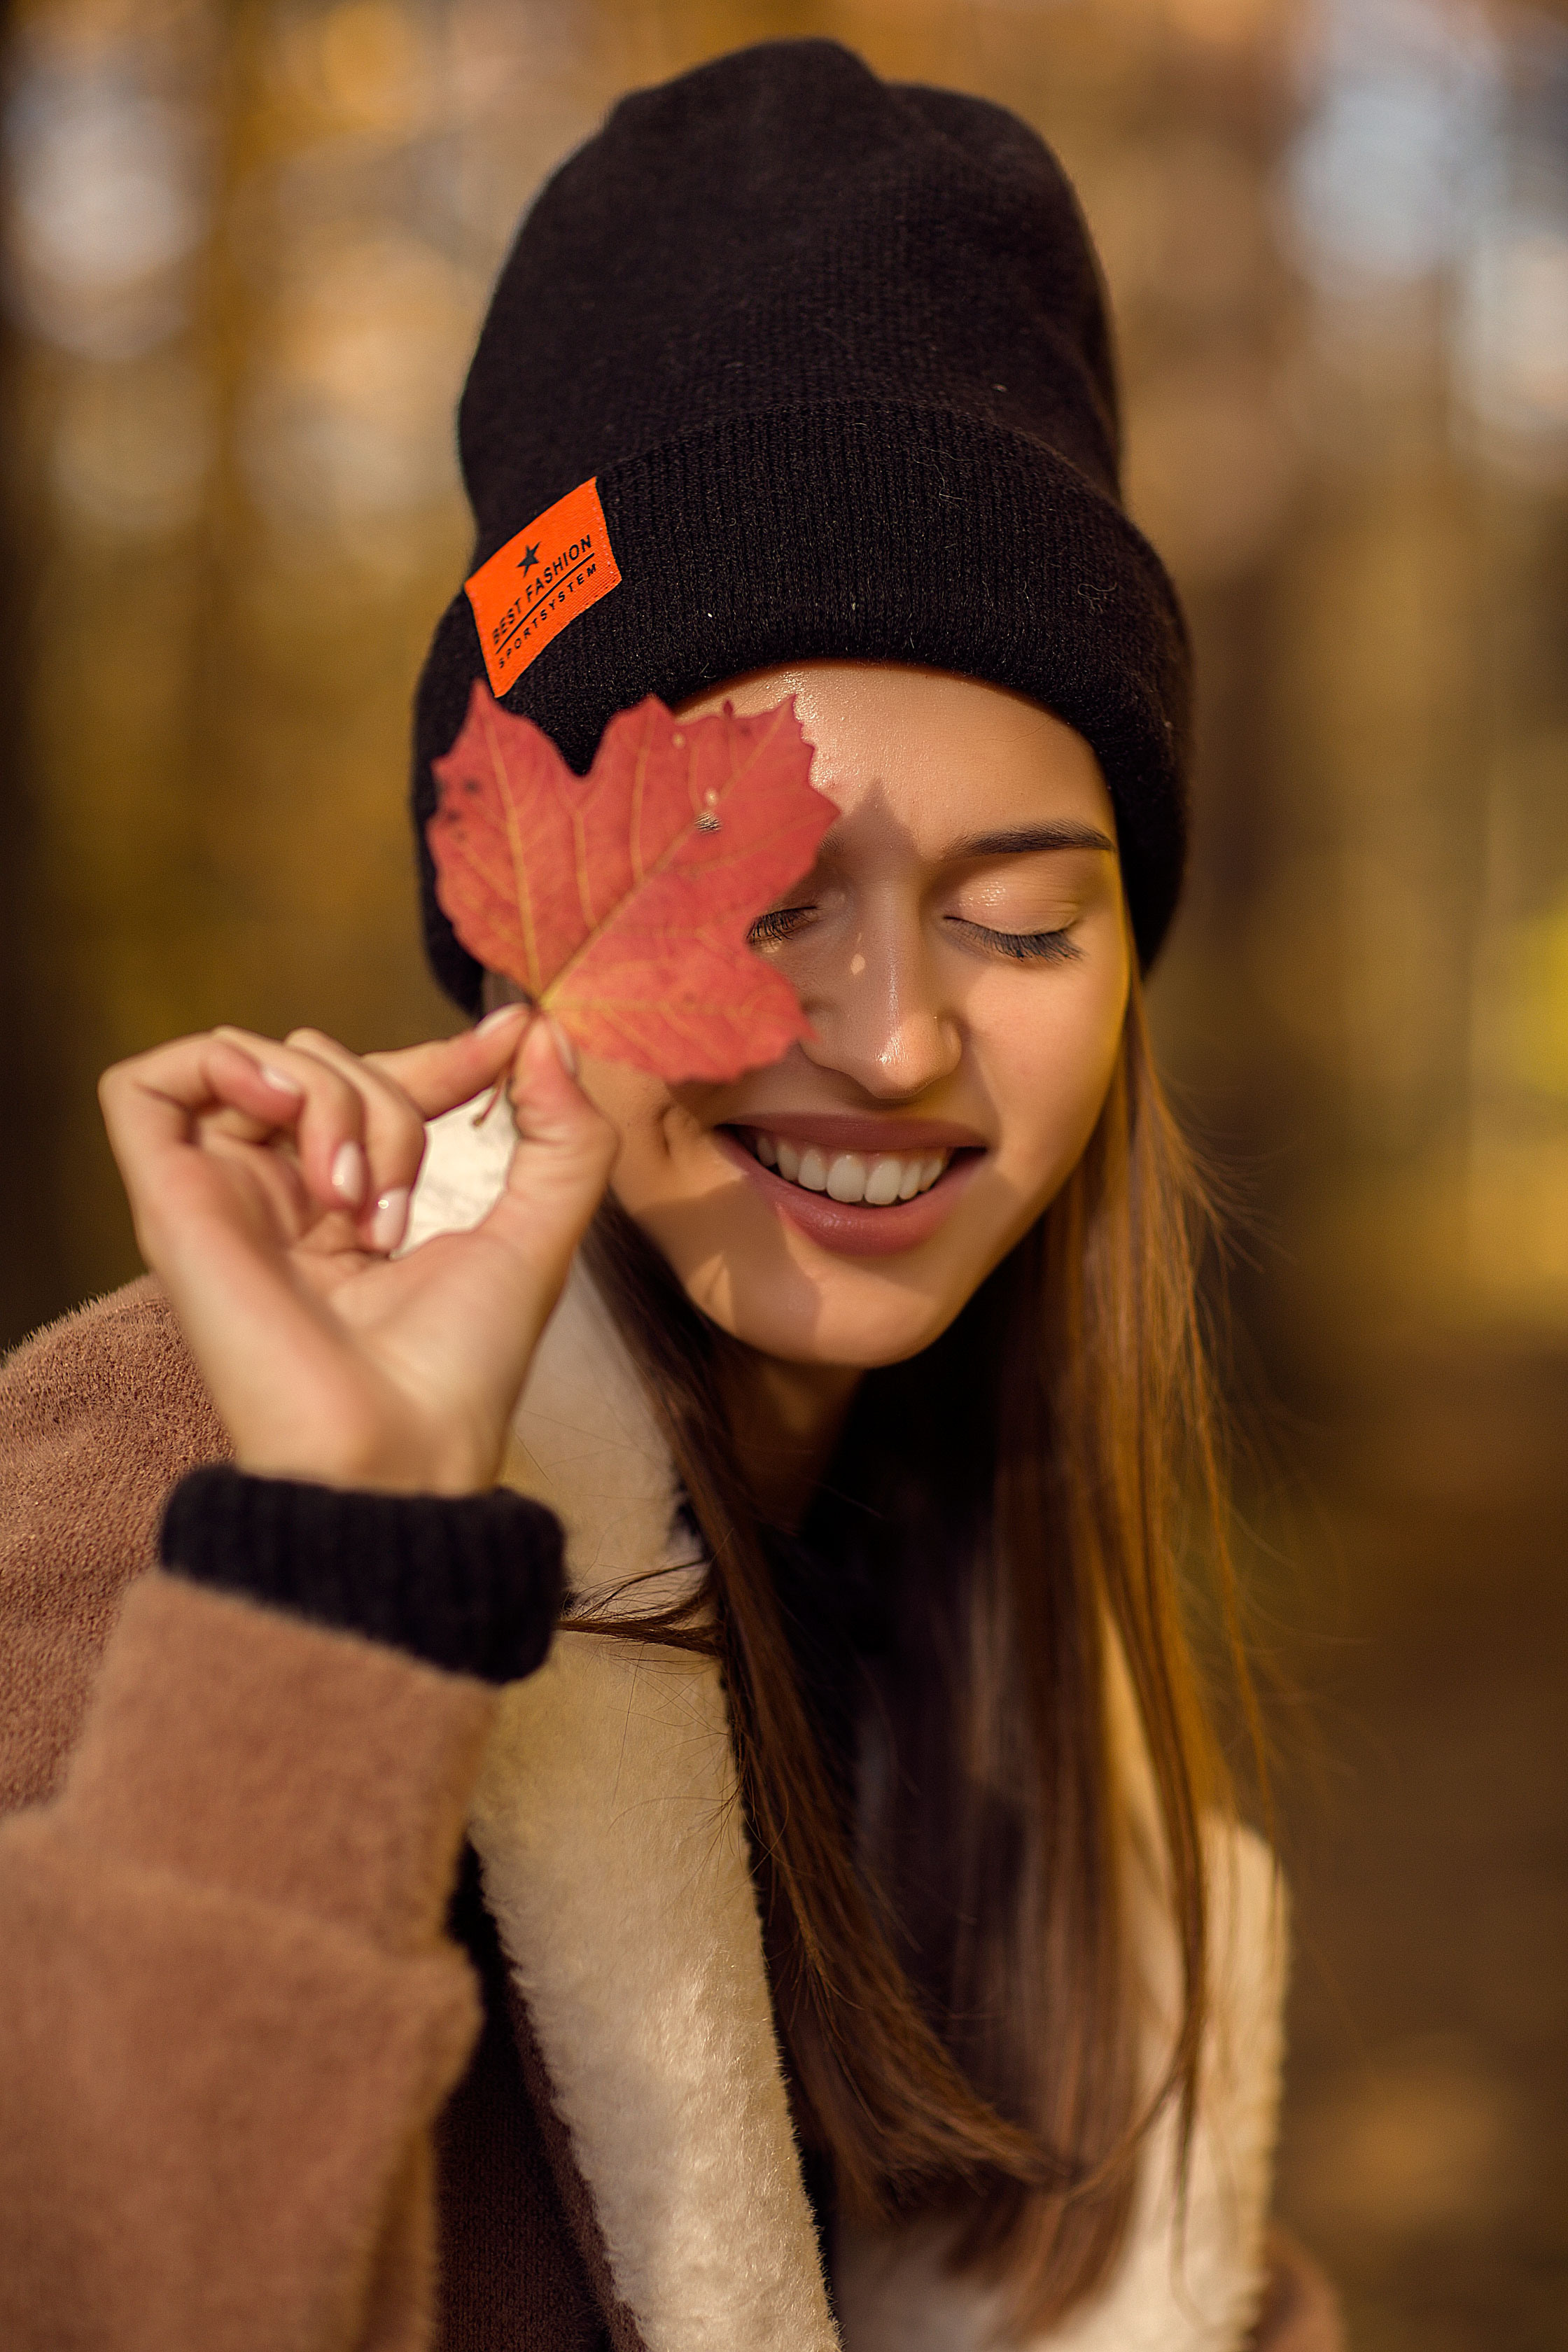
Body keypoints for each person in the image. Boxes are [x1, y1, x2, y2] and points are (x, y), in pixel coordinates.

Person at [0, 39, 1341, 2352]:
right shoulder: (154, 1491)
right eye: (763, 897)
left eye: (1025, 920)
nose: (899, 1041)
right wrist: (333, 1586)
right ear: (526, 935)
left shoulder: (1017, 1662)